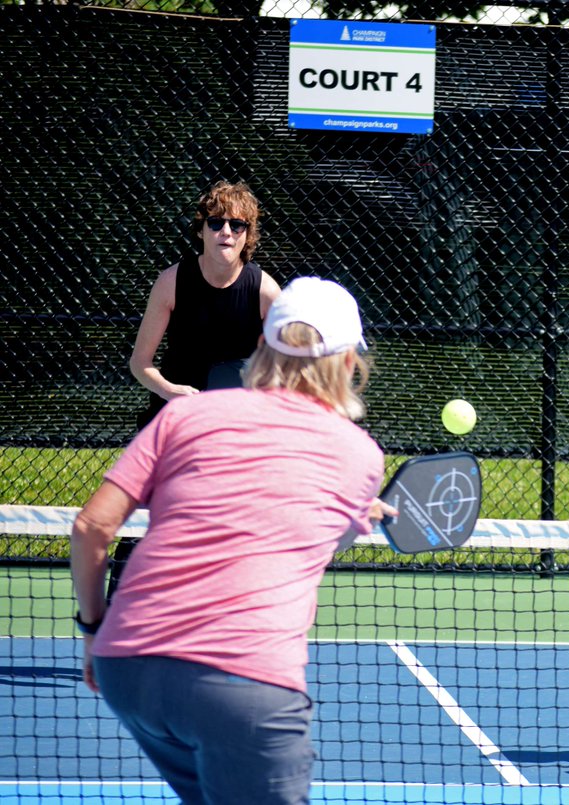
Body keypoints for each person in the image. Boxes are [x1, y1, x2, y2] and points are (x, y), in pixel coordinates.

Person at [71, 277, 391, 804]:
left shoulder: (183, 413)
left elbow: (91, 528)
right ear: (349, 362)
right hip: (245, 685)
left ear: (262, 344)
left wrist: (93, 629)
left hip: (128, 668)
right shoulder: (359, 457)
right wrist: (354, 510)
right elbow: (305, 545)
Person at [110, 180, 282, 599]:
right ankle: (117, 612)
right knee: (147, 520)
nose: (226, 232)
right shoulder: (171, 282)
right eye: (217, 222)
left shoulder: (265, 291)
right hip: (169, 421)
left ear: (248, 235)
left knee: (231, 526)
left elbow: (286, 370)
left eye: (237, 225)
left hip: (232, 430)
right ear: (202, 229)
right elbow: (140, 364)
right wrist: (172, 393)